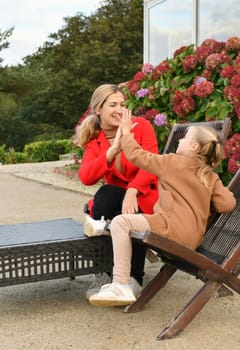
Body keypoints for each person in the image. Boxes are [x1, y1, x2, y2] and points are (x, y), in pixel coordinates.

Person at [89, 109, 236, 306]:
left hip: (170, 230)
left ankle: (121, 283)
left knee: (121, 223)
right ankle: (122, 279)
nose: (180, 140)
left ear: (194, 146)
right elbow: (227, 204)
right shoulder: (210, 176)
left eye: (184, 138)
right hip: (192, 240)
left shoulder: (171, 163)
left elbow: (136, 155)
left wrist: (125, 132)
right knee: (131, 221)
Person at [77, 84, 159, 299]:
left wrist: (133, 189)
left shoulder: (140, 126)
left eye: (122, 104)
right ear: (98, 109)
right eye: (112, 105)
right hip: (115, 200)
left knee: (127, 210)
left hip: (145, 196)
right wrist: (112, 151)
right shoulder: (95, 139)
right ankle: (104, 275)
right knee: (106, 198)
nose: (119, 109)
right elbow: (86, 177)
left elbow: (152, 163)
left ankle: (134, 279)